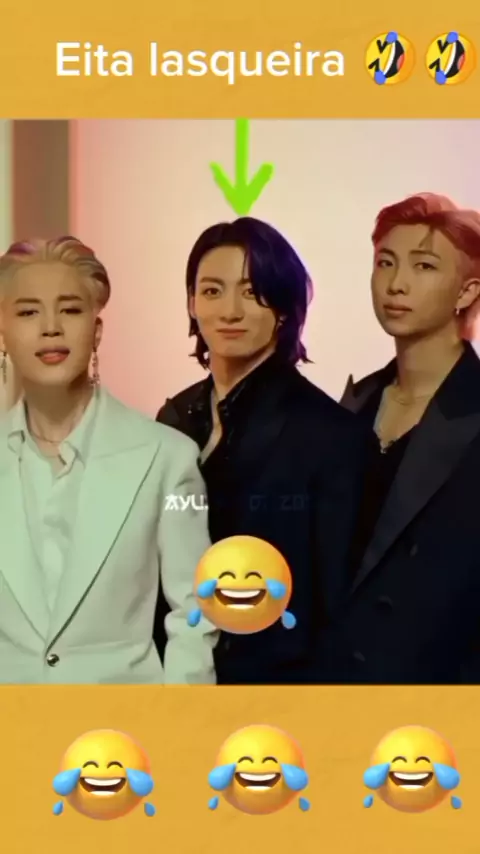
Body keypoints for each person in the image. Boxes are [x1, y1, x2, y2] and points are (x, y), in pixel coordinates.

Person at [155, 217, 368, 684]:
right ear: (191, 303)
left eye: (251, 293)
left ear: (285, 308)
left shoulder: (330, 434)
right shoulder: (173, 419)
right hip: (176, 676)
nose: (229, 311)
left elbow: (336, 605)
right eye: (212, 291)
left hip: (278, 690)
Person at [0, 236, 217, 684]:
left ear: (96, 331)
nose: (51, 327)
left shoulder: (168, 459)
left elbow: (195, 609)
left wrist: (180, 715)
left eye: (70, 310)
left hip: (125, 722)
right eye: (28, 312)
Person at [332, 192, 480, 683]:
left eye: (424, 266)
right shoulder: (353, 406)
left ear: (467, 291)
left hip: (438, 694)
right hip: (331, 684)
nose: (396, 283)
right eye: (385, 262)